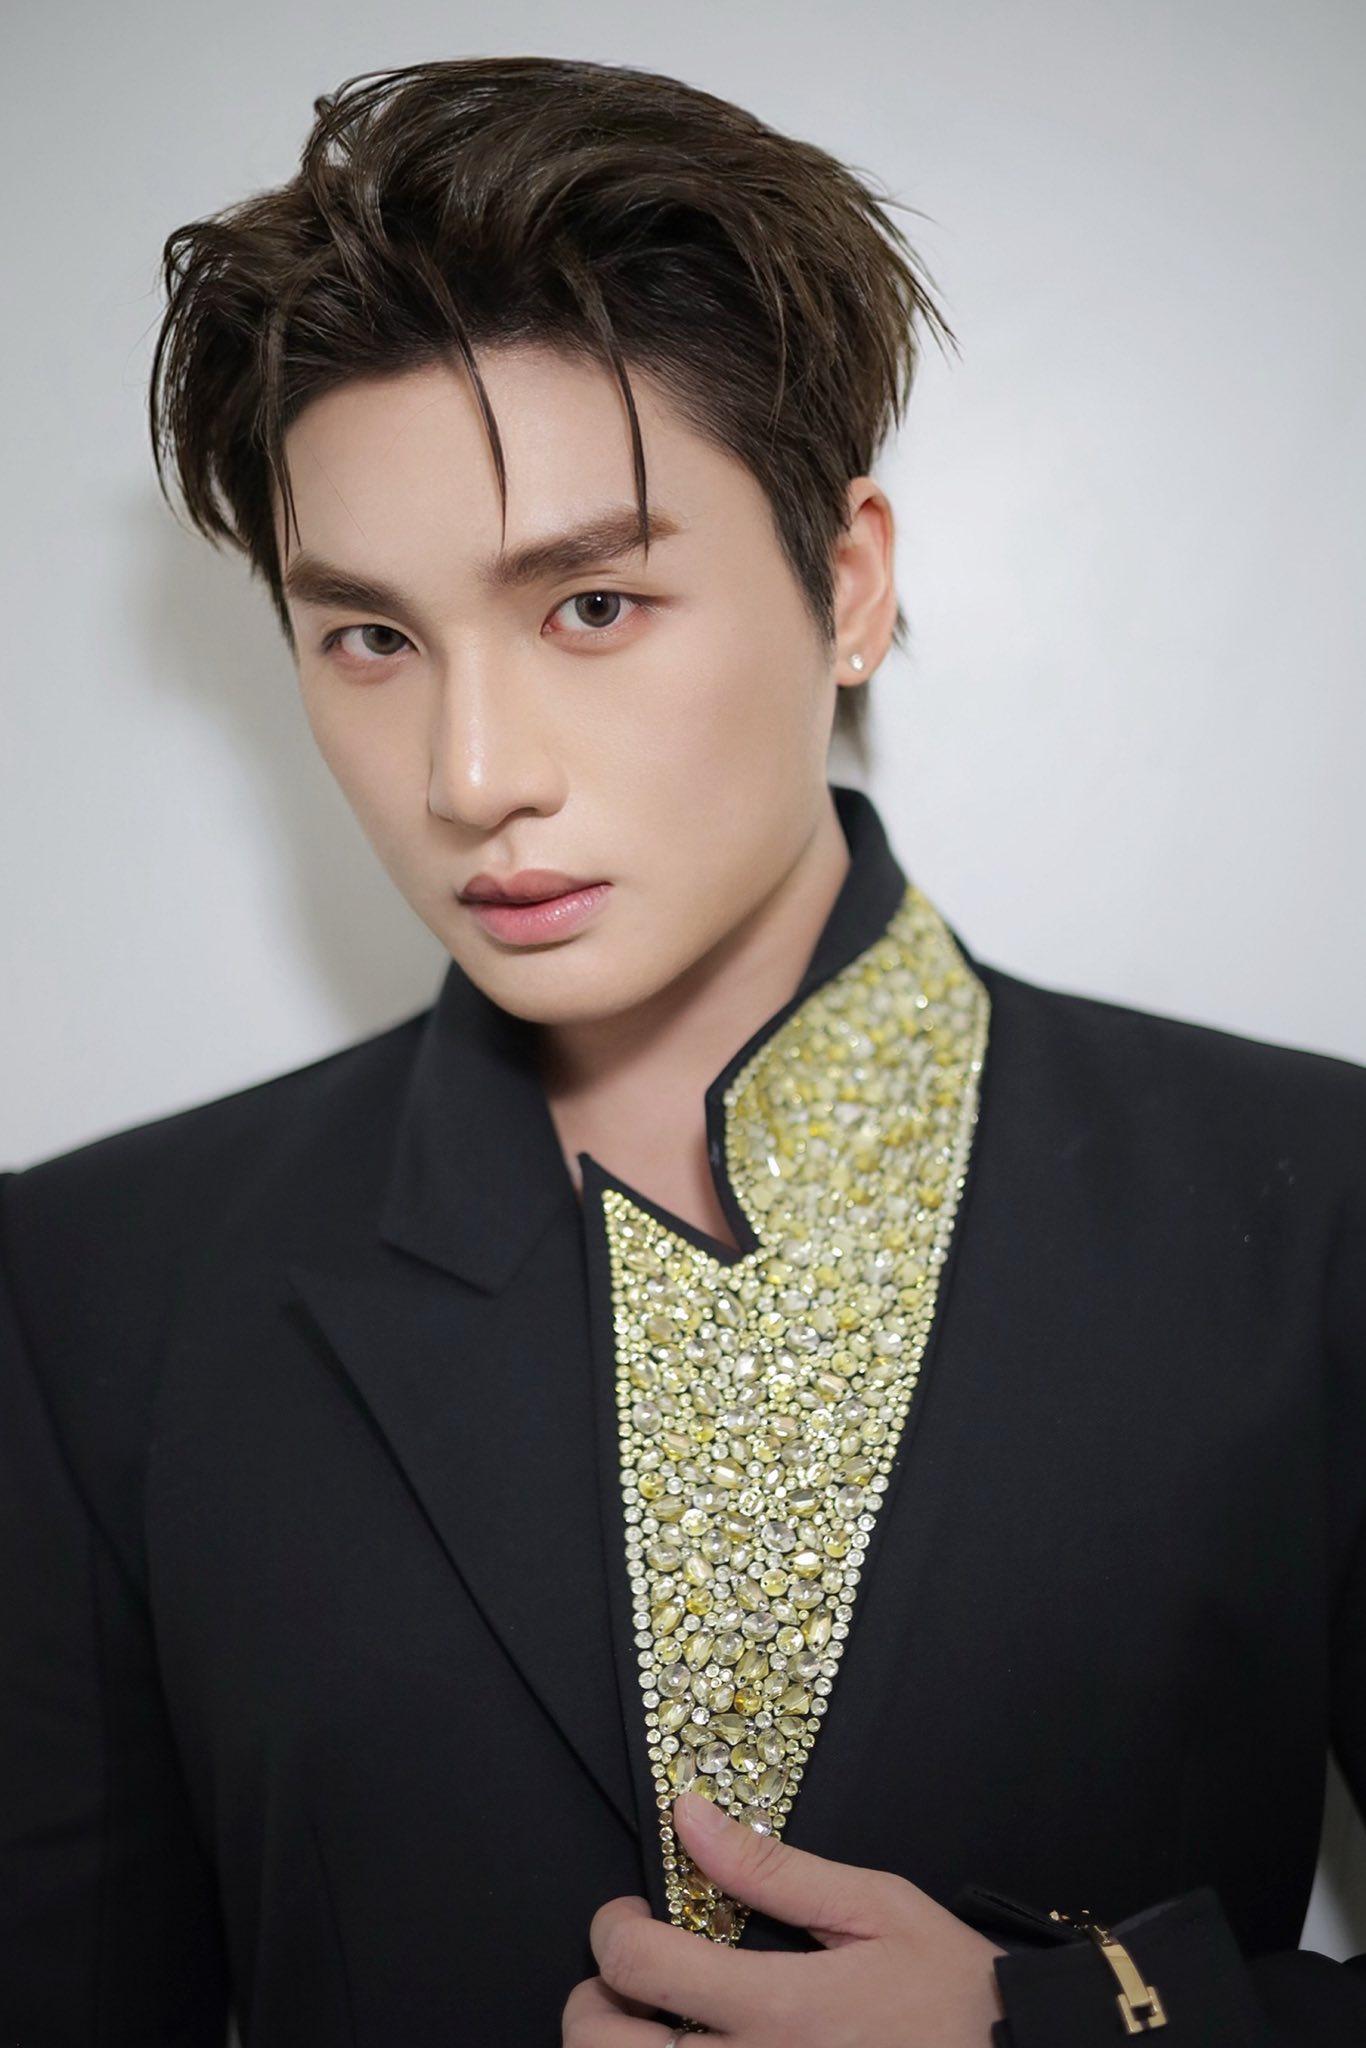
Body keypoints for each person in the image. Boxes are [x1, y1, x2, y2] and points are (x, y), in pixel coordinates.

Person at [0, 52, 1362, 2048]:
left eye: (591, 604)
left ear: (846, 586)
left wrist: (1072, 2026)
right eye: (369, 637)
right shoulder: (97, 1288)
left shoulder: (1311, 1209)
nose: (470, 774)